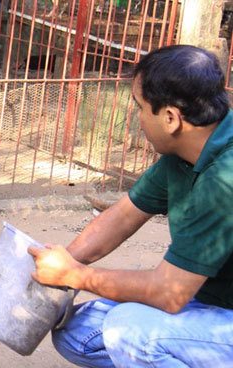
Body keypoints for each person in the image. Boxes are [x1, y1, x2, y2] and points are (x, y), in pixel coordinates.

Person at [28, 44, 233, 367]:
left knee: (127, 330)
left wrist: (75, 275)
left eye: (139, 107)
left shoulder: (225, 179)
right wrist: (58, 264)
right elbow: (122, 216)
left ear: (170, 118)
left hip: (220, 317)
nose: (135, 118)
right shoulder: (185, 153)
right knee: (78, 332)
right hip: (213, 305)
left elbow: (170, 292)